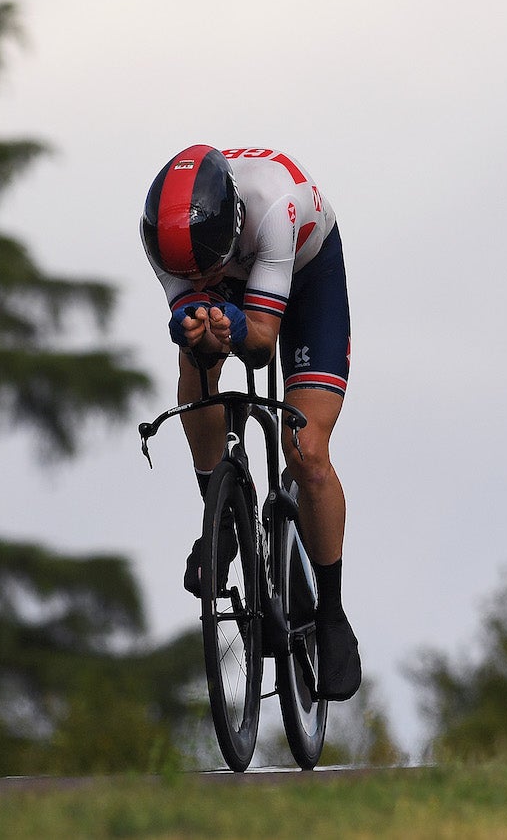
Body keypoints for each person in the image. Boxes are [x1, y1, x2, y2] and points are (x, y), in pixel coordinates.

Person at [139, 144, 360, 700]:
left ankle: (331, 613)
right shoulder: (157, 234)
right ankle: (221, 519)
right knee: (196, 365)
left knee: (305, 449)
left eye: (207, 268)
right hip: (239, 272)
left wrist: (234, 324)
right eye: (189, 273)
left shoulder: (273, 206)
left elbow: (260, 347)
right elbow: (190, 316)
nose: (199, 278)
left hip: (304, 274)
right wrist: (192, 327)